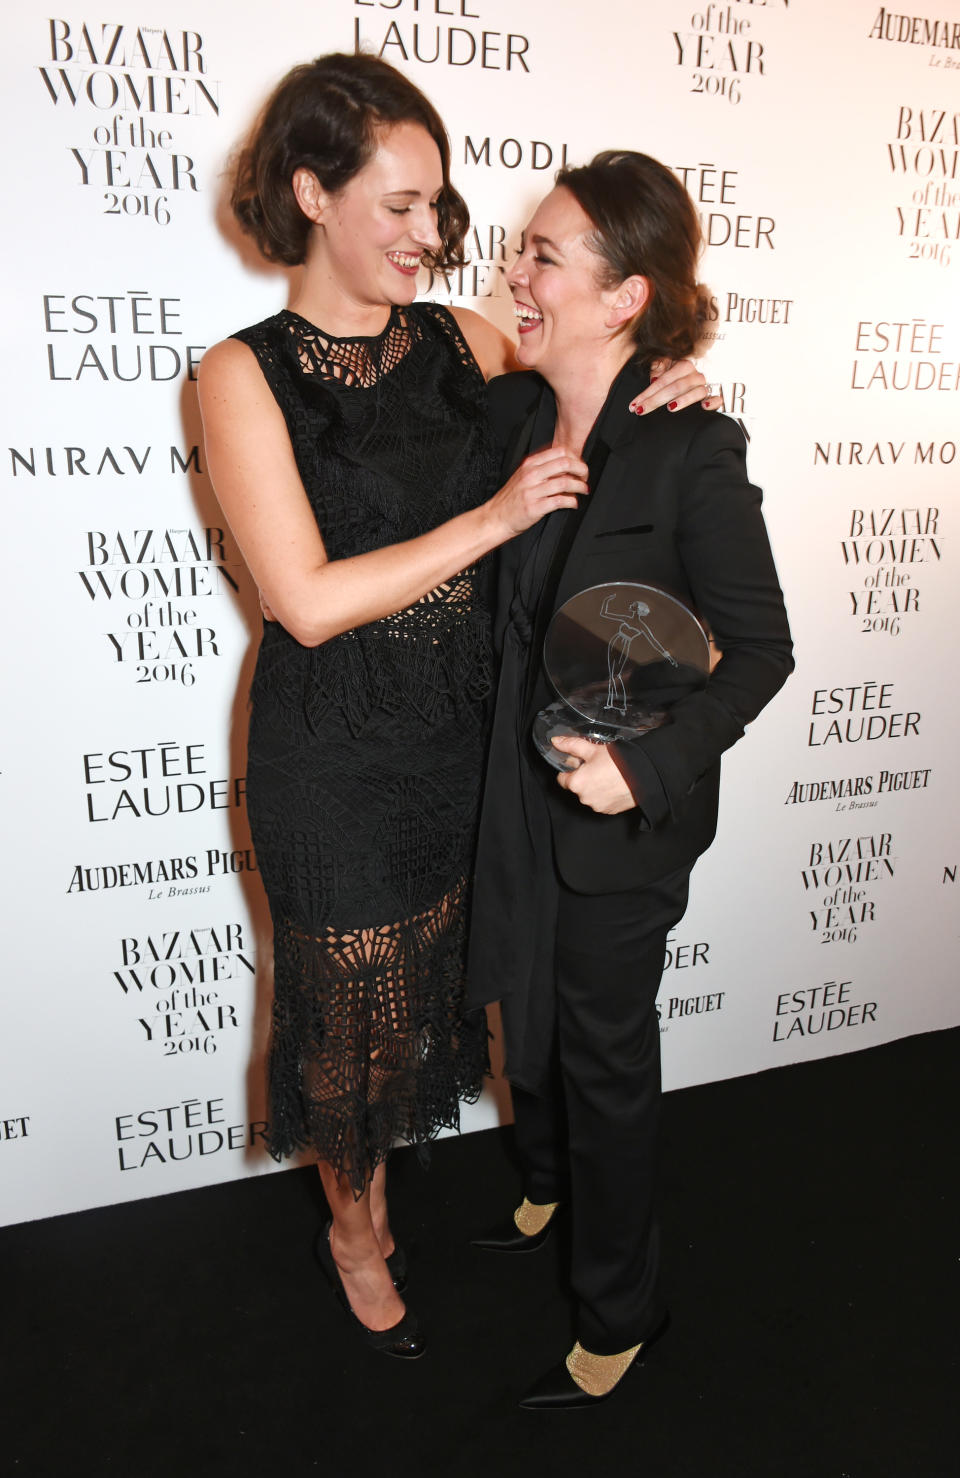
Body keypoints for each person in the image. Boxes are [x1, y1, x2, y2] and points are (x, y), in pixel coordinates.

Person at [198, 57, 708, 1360]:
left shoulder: (461, 342)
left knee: (448, 998)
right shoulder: (240, 376)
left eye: (442, 208)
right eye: (401, 205)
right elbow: (303, 600)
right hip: (336, 755)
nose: (433, 237)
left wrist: (670, 388)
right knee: (351, 1038)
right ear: (312, 193)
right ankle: (354, 1229)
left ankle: (474, 1200)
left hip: (469, 743)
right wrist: (486, 519)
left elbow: (592, 388)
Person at [467, 151, 794, 1407]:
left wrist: (642, 768)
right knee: (519, 1008)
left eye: (545, 256)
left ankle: (621, 1313)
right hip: (509, 795)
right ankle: (545, 1184)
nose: (515, 271)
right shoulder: (507, 414)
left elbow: (760, 651)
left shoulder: (688, 448)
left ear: (626, 297)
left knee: (604, 1062)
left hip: (617, 823)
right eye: (524, 248)